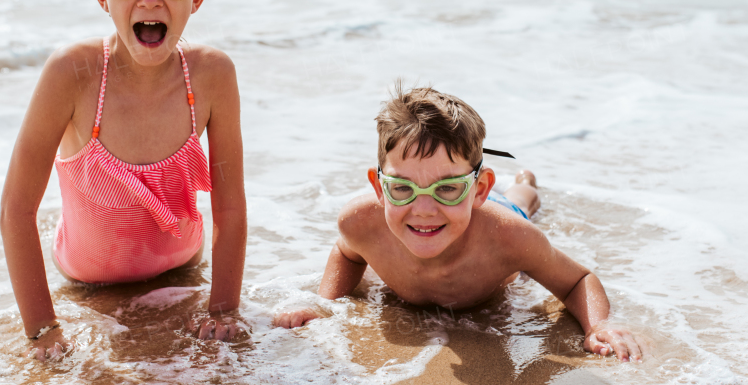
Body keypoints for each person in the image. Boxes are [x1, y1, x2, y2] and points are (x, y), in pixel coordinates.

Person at [1, 0, 246, 360]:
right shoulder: (71, 75)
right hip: (88, 286)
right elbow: (16, 210)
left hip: (181, 274)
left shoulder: (213, 76)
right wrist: (42, 329)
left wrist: (223, 309)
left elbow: (230, 210)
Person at [274, 86, 643, 361]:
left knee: (519, 205)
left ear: (479, 187)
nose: (423, 209)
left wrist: (599, 326)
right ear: (379, 188)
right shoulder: (360, 223)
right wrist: (323, 303)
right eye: (402, 187)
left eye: (446, 188)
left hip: (496, 215)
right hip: (468, 210)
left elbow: (578, 280)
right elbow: (347, 254)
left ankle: (525, 184)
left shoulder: (510, 238)